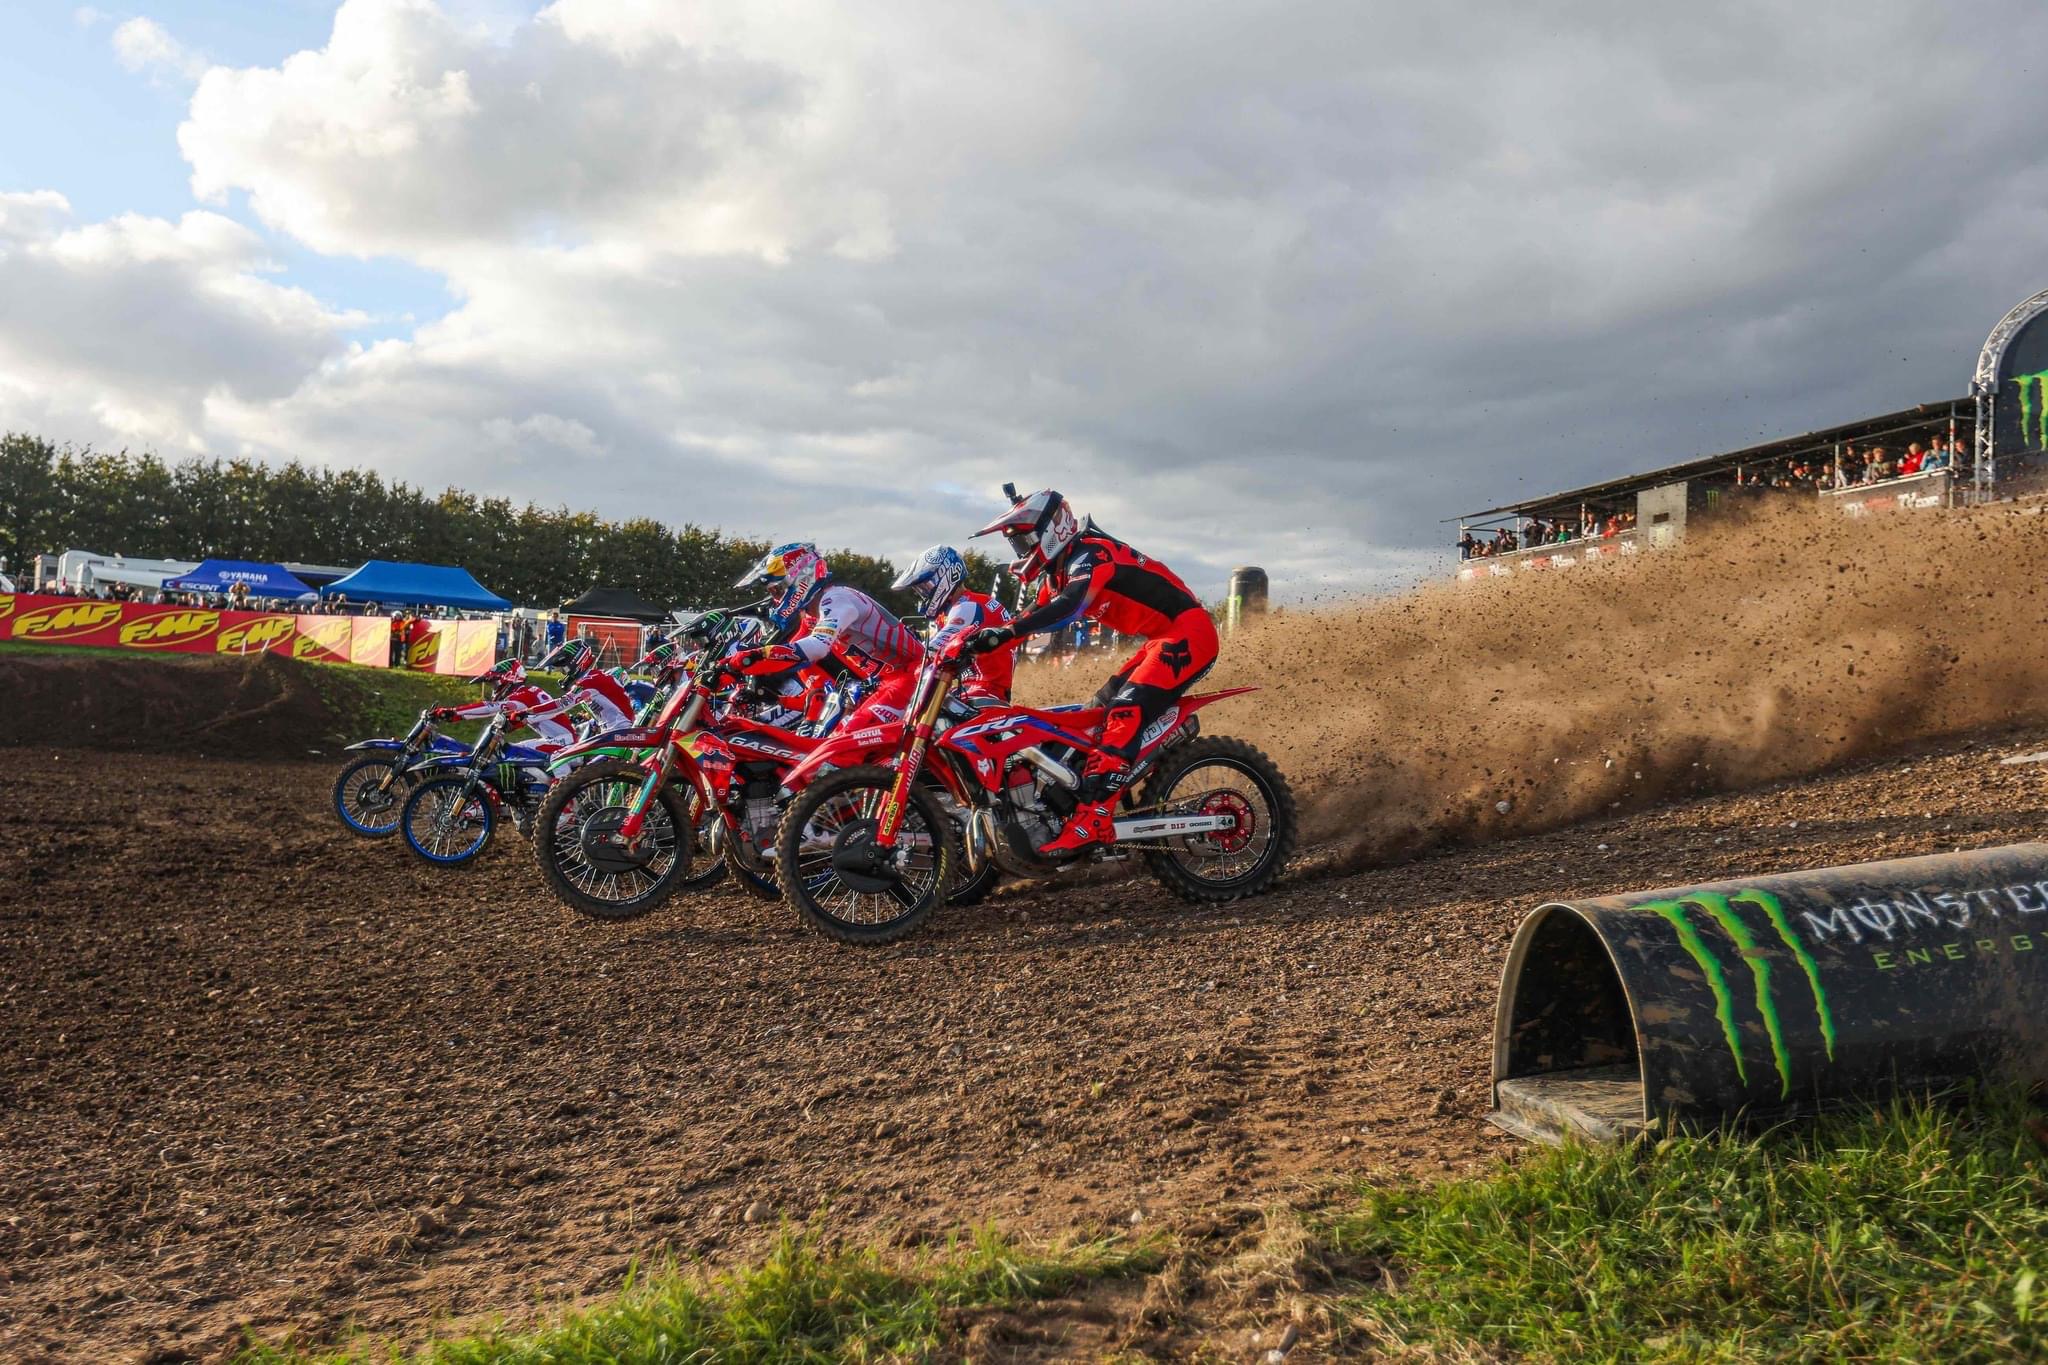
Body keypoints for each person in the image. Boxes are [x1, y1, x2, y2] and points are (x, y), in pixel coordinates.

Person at [959, 488, 1218, 855]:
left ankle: (1095, 817)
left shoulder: (1091, 553)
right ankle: (1077, 806)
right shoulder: (1058, 574)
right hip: (1160, 639)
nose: (1022, 550)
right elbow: (1026, 621)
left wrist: (1006, 632)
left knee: (1126, 710)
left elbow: (1070, 607)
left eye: (1026, 539)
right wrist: (967, 648)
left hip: (1188, 631)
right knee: (1088, 717)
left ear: (1053, 528)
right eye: (1017, 544)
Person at [724, 542, 924, 727]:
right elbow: (798, 663)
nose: (775, 600)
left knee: (843, 748)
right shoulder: (812, 615)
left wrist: (753, 656)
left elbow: (817, 647)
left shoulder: (835, 599)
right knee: (833, 739)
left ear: (800, 578)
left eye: (776, 591)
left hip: (914, 675)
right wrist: (731, 670)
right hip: (884, 683)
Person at [893, 544, 1020, 702]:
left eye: (925, 588)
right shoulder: (959, 607)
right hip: (972, 687)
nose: (923, 595)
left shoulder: (966, 607)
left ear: (947, 575)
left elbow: (929, 653)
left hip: (985, 689)